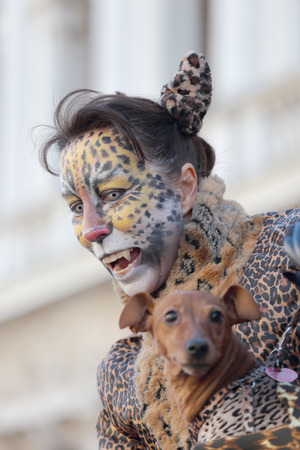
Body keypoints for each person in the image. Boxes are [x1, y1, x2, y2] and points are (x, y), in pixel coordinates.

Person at [39, 52, 300, 449]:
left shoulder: (288, 251)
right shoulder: (120, 375)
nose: (92, 229)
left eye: (113, 194)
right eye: (77, 207)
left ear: (183, 189)